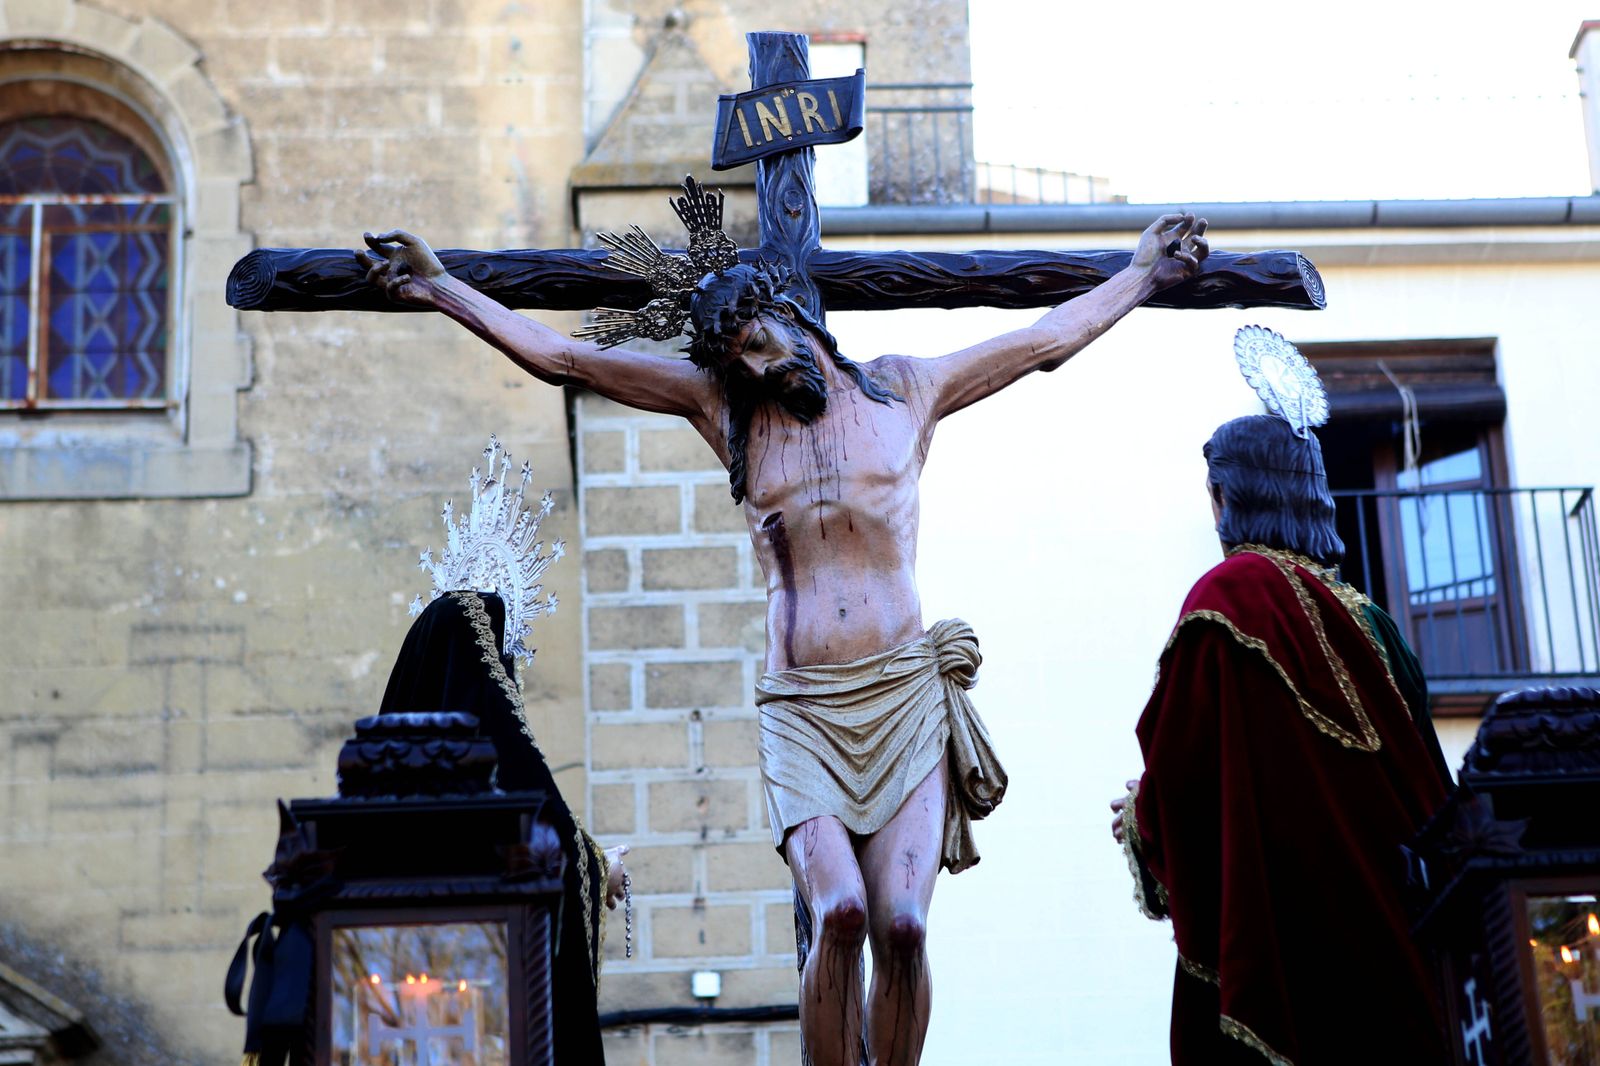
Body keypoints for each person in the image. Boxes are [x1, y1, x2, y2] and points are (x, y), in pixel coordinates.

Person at [357, 190, 1209, 1066]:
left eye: (758, 343)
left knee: (905, 927)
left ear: (795, 315)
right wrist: (442, 287)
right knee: (838, 912)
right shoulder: (724, 413)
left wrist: (1140, 275)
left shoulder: (907, 391)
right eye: (737, 363)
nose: (757, 370)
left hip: (904, 696)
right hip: (803, 707)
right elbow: (569, 359)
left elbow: (1042, 342)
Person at [1111, 413, 1452, 1065]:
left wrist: (1138, 815)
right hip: (1406, 965)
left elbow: (1186, 779)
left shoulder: (1229, 598)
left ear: (1229, 499)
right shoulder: (1376, 624)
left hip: (1293, 959)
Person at [380, 589, 628, 1065]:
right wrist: (603, 870)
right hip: (484, 1009)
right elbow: (548, 842)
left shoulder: (388, 772)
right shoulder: (494, 758)